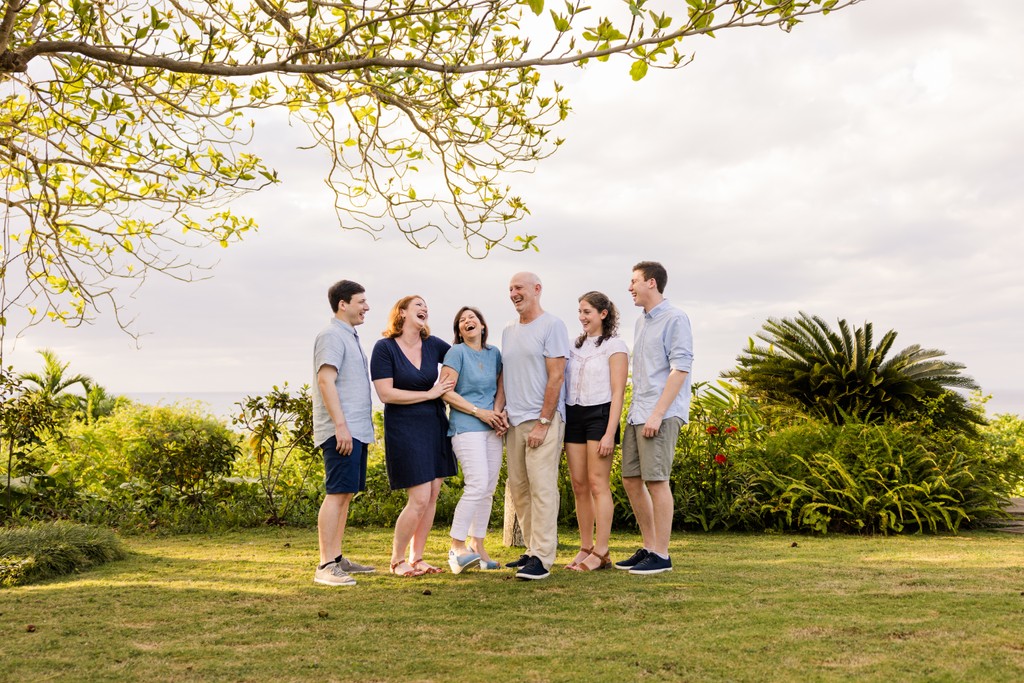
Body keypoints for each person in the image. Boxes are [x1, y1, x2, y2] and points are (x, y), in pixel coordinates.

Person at [370, 295, 457, 577]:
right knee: (418, 498)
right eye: (418, 305)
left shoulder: (434, 345)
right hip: (404, 428)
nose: (424, 308)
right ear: (402, 312)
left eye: (426, 306)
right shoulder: (384, 348)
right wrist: (430, 393)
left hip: (434, 424)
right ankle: (397, 560)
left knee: (432, 495)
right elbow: (386, 393)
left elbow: (463, 357)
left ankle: (417, 558)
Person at [617, 261, 693, 575]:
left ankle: (662, 554)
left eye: (633, 281)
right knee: (631, 479)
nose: (629, 287)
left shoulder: (675, 318)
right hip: (638, 413)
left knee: (657, 481)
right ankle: (649, 546)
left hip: (660, 414)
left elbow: (680, 369)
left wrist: (658, 414)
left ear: (651, 282)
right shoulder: (641, 322)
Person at [501, 272, 569, 580]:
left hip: (542, 421)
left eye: (519, 288)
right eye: (511, 288)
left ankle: (543, 557)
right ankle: (531, 550)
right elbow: (505, 375)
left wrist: (543, 422)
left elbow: (556, 377)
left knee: (542, 489)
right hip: (514, 423)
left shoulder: (552, 326)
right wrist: (498, 410)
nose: (514, 293)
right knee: (521, 490)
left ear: (537, 290)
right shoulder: (507, 331)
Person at [311, 280, 377, 587]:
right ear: (343, 304)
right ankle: (325, 566)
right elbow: (326, 381)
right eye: (361, 301)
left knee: (346, 494)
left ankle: (337, 559)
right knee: (336, 494)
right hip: (342, 431)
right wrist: (341, 427)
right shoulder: (331, 336)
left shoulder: (349, 336)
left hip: (355, 431)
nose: (366, 307)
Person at [439, 306, 508, 573]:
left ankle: (477, 546)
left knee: (488, 489)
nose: (468, 322)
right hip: (466, 426)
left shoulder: (494, 354)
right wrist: (479, 412)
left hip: (492, 427)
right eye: (462, 321)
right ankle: (457, 547)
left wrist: (499, 414)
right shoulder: (456, 353)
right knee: (477, 483)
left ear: (482, 326)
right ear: (459, 331)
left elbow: (500, 386)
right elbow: (446, 392)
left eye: (473, 318)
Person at [564, 291, 629, 573]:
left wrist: (609, 432)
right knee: (579, 484)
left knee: (597, 483)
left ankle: (602, 552)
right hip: (573, 414)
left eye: (587, 311)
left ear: (603, 314)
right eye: (580, 311)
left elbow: (618, 393)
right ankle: (585, 546)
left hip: (600, 415)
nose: (582, 317)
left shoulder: (615, 346)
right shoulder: (573, 346)